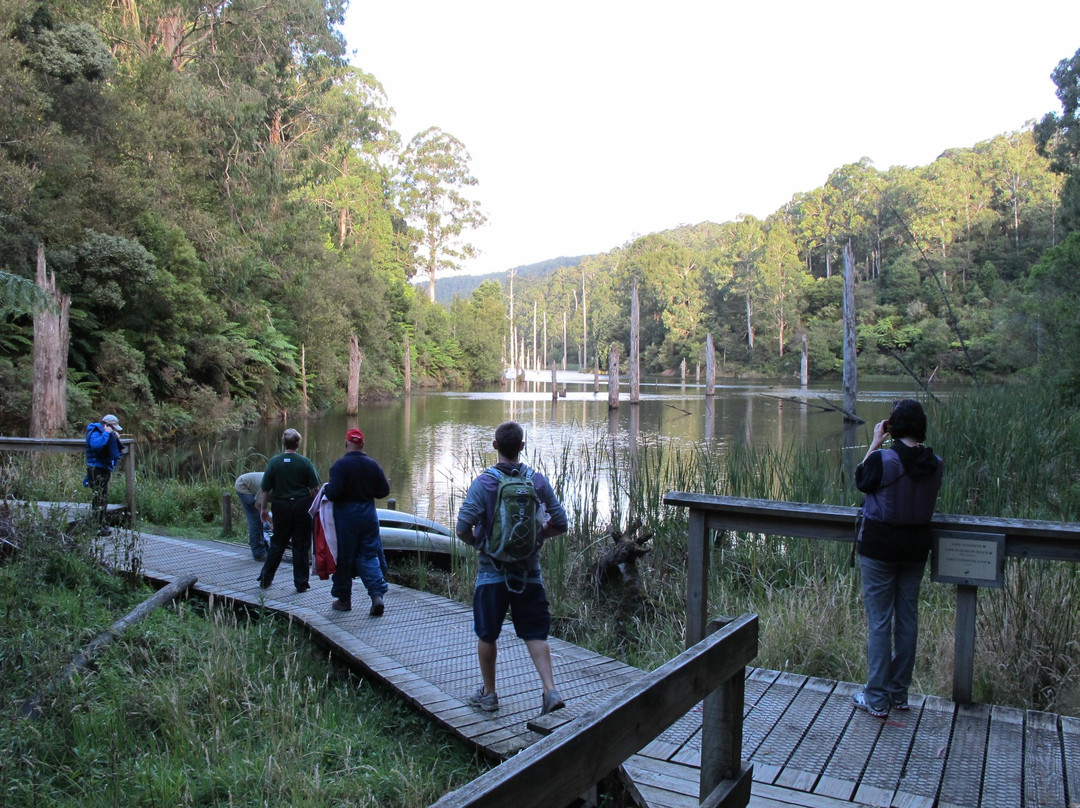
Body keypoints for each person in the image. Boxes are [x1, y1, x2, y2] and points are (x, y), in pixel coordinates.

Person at [455, 420, 569, 716]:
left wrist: (481, 544)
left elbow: (462, 528)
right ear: (522, 446)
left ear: (495, 446)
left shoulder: (484, 483)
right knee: (535, 633)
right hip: (529, 572)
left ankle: (490, 694)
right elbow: (562, 522)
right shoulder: (537, 481)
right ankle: (549, 690)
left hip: (491, 571)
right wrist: (540, 536)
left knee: (487, 634)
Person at [852, 399, 943, 719]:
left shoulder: (883, 459)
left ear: (893, 426)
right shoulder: (935, 464)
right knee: (907, 621)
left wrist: (875, 442)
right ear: (921, 427)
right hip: (916, 550)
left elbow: (861, 480)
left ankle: (875, 697)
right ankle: (898, 693)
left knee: (879, 623)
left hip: (879, 550)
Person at [325, 428, 391, 615]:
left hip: (346, 518)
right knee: (369, 555)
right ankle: (377, 595)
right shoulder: (373, 465)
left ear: (346, 443)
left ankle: (344, 599)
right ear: (363, 444)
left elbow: (333, 493)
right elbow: (384, 491)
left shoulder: (340, 466)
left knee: (344, 558)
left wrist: (327, 489)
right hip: (368, 516)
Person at [256, 429, 321, 594]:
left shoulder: (274, 462)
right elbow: (315, 489)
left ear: (284, 444)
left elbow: (264, 489)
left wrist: (264, 509)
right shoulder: (305, 462)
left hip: (281, 507)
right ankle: (301, 583)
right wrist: (315, 509)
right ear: (298, 444)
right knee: (301, 544)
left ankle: (266, 578)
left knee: (278, 542)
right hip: (301, 506)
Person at [85, 414, 124, 532]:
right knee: (98, 497)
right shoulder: (95, 432)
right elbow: (96, 445)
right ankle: (96, 526)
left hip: (104, 468)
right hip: (96, 468)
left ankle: (101, 524)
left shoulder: (104, 433)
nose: (114, 430)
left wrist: (115, 437)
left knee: (103, 497)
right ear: (107, 425)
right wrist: (107, 433)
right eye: (113, 427)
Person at [234, 472, 269, 561]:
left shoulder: (285, 488)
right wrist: (271, 522)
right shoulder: (270, 485)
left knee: (261, 520)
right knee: (256, 519)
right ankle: (259, 554)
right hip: (243, 486)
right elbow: (258, 505)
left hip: (255, 486)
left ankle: (263, 546)